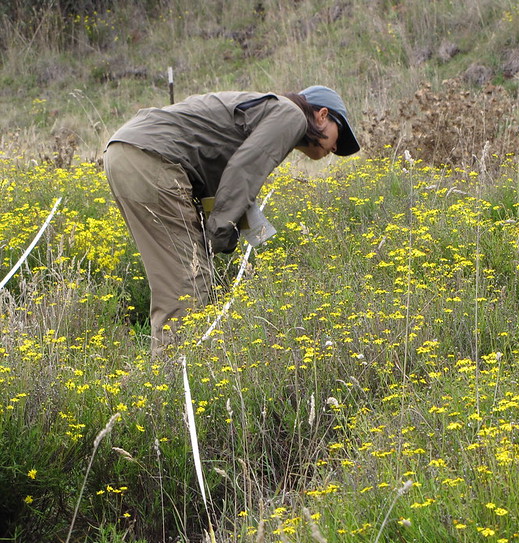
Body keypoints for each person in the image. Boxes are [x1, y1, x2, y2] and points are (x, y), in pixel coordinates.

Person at [104, 85, 359, 356]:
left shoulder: (268, 112)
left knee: (180, 277)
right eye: (337, 135)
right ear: (321, 115)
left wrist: (217, 229)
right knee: (189, 281)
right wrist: (220, 231)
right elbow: (243, 171)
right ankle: (174, 378)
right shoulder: (291, 115)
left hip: (129, 152)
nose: (334, 148)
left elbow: (222, 171)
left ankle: (169, 373)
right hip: (151, 159)